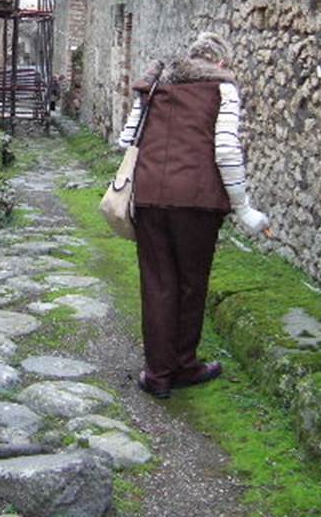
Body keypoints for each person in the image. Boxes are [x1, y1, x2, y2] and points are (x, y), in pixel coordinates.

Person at [117, 32, 269, 399]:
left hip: (150, 195)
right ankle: (184, 364)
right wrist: (243, 206)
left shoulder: (154, 86)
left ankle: (157, 374)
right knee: (190, 283)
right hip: (198, 201)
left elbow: (125, 140)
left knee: (157, 283)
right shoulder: (223, 90)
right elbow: (227, 151)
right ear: (220, 63)